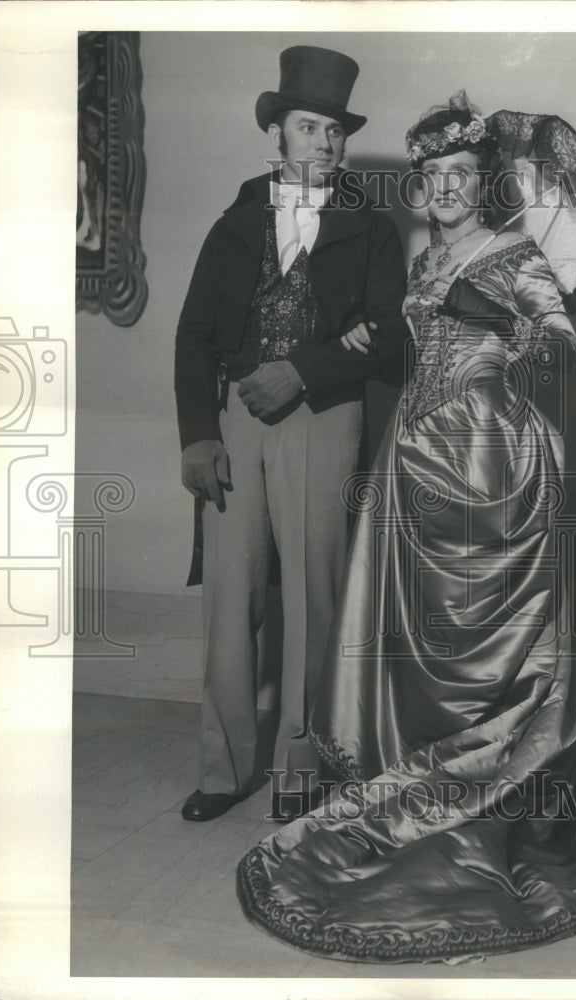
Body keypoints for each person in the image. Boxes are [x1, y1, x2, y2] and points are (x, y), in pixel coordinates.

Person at [237, 92, 576, 962]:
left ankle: (496, 797)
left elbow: (562, 343)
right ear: (418, 190)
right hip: (410, 459)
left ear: (482, 186)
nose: (446, 189)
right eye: (433, 178)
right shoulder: (418, 261)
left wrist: (505, 328)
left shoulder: (515, 253)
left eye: (461, 175)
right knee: (410, 644)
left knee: (483, 646)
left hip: (487, 460)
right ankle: (413, 781)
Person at [174, 46, 409, 823]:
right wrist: (199, 434)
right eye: (308, 127)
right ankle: (223, 767)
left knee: (316, 585)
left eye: (335, 131)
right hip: (236, 414)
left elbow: (385, 337)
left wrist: (304, 372)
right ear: (278, 133)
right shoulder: (234, 222)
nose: (324, 143)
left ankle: (303, 767)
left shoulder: (373, 229)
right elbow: (195, 336)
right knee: (230, 595)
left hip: (325, 413)